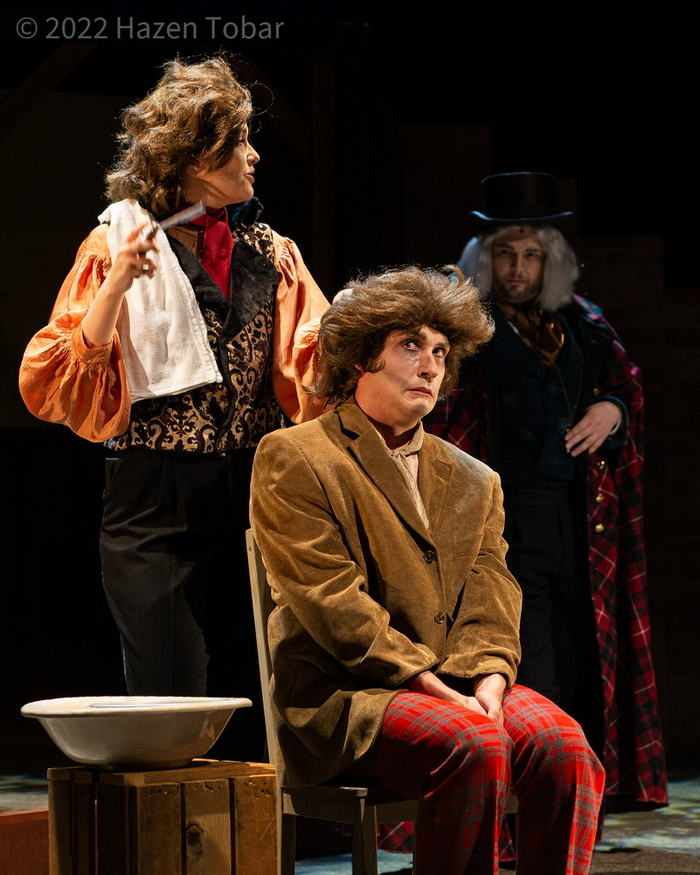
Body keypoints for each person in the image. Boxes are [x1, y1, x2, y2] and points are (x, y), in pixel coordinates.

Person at [19, 56, 328, 760]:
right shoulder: (118, 244)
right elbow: (56, 377)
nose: (254, 155)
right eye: (238, 141)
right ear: (194, 158)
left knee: (254, 693)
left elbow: (314, 362)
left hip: (247, 492)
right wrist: (117, 284)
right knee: (171, 699)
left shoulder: (271, 251)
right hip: (152, 502)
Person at [250, 265, 605, 875]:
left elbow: (493, 593)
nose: (431, 366)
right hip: (347, 695)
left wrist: (490, 677)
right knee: (472, 745)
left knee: (565, 749)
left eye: (440, 351)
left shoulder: (474, 478)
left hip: (459, 680)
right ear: (361, 357)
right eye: (410, 346)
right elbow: (330, 600)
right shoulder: (298, 455)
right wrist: (432, 687)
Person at [424, 171, 667, 813]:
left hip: (580, 520)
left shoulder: (582, 322)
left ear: (549, 261)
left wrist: (613, 408)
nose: (517, 268)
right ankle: (526, 809)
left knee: (587, 653)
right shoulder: (465, 327)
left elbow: (627, 383)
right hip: (504, 524)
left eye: (531, 255)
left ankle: (581, 803)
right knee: (530, 664)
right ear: (486, 257)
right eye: (505, 253)